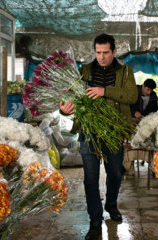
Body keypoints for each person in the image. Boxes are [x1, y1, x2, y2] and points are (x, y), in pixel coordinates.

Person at [59, 33, 138, 240]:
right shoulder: (83, 71)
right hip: (89, 131)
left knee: (114, 173)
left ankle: (110, 204)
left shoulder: (126, 72)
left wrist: (105, 91)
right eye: (98, 52)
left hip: (113, 131)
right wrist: (64, 110)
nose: (101, 57)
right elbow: (69, 97)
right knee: (91, 178)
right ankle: (95, 221)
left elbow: (132, 96)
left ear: (113, 51)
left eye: (105, 53)